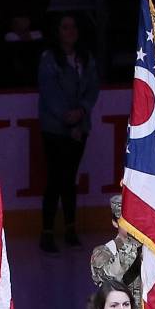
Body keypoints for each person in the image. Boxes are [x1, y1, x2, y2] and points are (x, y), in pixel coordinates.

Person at [33, 13, 98, 252]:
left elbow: (93, 88)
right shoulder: (49, 60)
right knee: (55, 178)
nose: (71, 31)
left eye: (73, 27)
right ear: (57, 32)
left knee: (70, 178)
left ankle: (71, 229)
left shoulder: (86, 59)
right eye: (65, 27)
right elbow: (50, 93)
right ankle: (47, 232)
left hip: (79, 127)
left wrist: (82, 111)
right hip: (55, 128)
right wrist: (68, 120)